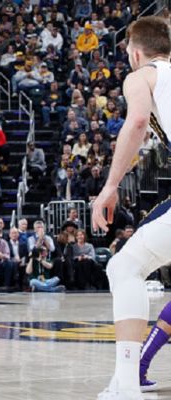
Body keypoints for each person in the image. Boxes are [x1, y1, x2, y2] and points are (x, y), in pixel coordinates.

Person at [91, 17, 171, 400]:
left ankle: (127, 384)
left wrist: (109, 187)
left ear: (135, 52)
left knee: (124, 266)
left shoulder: (141, 77)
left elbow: (137, 120)